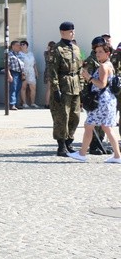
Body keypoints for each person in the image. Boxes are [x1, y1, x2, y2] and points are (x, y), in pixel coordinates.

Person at [67, 41, 121, 163]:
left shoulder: (103, 66)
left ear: (108, 53)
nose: (97, 54)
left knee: (90, 125)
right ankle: (117, 155)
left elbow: (102, 84)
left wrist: (89, 77)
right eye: (96, 52)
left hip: (102, 101)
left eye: (101, 52)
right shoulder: (109, 65)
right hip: (108, 100)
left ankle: (82, 153)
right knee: (104, 127)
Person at [47, 21, 82, 157]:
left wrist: (82, 87)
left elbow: (80, 68)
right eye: (70, 31)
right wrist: (55, 89)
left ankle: (69, 141)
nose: (73, 33)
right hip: (63, 85)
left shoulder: (77, 48)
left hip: (75, 86)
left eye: (73, 31)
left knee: (75, 115)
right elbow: (52, 71)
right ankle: (61, 145)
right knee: (62, 116)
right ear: (63, 32)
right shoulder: (57, 49)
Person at [6, 40, 25, 110]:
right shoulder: (9, 54)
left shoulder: (19, 54)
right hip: (13, 72)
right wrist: (9, 75)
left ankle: (16, 103)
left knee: (18, 88)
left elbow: (22, 63)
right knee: (13, 88)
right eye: (17, 45)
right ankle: (12, 104)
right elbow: (6, 66)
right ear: (13, 46)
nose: (19, 46)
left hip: (20, 73)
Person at [19, 40, 38, 108]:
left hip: (31, 71)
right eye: (20, 44)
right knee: (23, 87)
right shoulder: (19, 54)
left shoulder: (31, 53)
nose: (21, 45)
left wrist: (36, 72)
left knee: (33, 87)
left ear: (27, 45)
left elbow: (34, 64)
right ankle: (24, 103)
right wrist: (22, 73)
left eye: (23, 44)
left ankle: (32, 103)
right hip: (24, 71)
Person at [43, 41, 56, 108]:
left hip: (47, 71)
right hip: (53, 72)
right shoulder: (55, 54)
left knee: (48, 88)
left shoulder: (46, 53)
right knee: (52, 88)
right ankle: (48, 103)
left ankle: (47, 103)